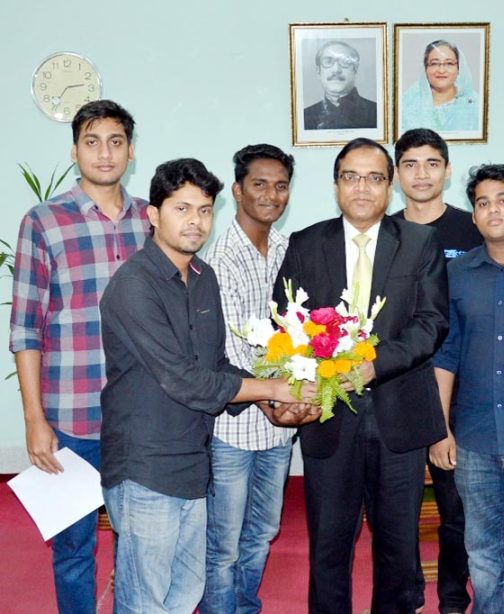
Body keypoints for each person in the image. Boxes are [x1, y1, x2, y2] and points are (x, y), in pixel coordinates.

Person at [99, 158, 308, 612]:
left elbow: (216, 364)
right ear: (154, 215)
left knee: (185, 592)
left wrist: (272, 398)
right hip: (145, 466)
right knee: (144, 600)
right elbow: (186, 380)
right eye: (182, 209)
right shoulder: (133, 285)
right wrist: (274, 391)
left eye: (204, 210)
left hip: (194, 461)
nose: (195, 221)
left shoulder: (202, 277)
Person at [273, 138, 449, 612]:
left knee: (396, 545)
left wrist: (374, 365)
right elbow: (285, 321)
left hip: (400, 416)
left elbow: (431, 322)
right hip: (329, 419)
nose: (362, 187)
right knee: (329, 545)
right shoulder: (306, 244)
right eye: (350, 176)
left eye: (374, 177)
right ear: (336, 185)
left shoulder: (419, 242)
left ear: (389, 186)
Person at [9, 99, 149, 614]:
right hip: (71, 417)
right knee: (73, 549)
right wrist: (34, 420)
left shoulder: (150, 220)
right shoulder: (44, 221)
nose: (104, 153)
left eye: (115, 141)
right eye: (92, 142)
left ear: (131, 151)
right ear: (74, 151)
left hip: (140, 418)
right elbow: (26, 326)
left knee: (140, 544)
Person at [433, 163, 504, 613]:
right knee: (482, 556)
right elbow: (445, 356)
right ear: (474, 216)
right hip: (475, 439)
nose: (493, 210)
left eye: (503, 200)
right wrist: (441, 429)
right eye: (482, 203)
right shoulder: (457, 275)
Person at [199, 144, 298, 613]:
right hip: (235, 427)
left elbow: (300, 329)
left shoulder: (289, 248)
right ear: (237, 190)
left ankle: (246, 605)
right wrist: (274, 398)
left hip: (281, 425)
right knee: (225, 541)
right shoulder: (217, 259)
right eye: (259, 184)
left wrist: (296, 396)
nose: (270, 195)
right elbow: (231, 347)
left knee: (263, 531)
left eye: (280, 186)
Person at [391, 127, 481, 614]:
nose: (421, 173)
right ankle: (405, 595)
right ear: (396, 174)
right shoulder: (382, 231)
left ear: (446, 170)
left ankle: (452, 597)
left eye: (431, 163)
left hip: (463, 390)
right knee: (398, 509)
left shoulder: (473, 230)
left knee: (456, 508)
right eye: (409, 164)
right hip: (400, 388)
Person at [401, 40, 480, 133]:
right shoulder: (407, 102)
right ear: (425, 68)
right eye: (434, 63)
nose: (441, 70)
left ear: (459, 68)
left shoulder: (475, 104)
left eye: (449, 63)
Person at [303, 40, 377, 131]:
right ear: (318, 71)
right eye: (328, 62)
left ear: (355, 69)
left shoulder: (376, 112)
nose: (336, 70)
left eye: (345, 62)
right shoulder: (304, 116)